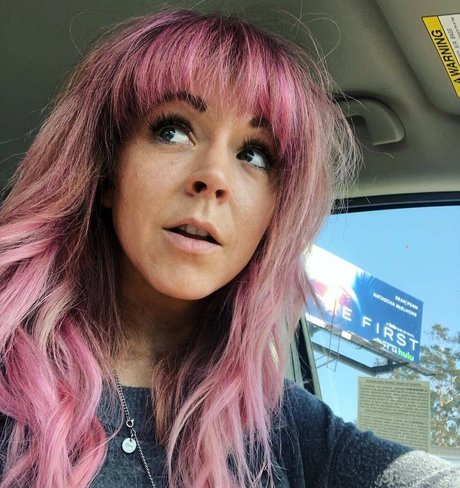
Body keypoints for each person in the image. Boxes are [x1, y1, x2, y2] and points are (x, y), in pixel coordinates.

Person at [0, 8, 458, 488]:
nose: (214, 177)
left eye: (254, 154)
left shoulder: (278, 424)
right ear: (108, 171)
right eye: (173, 130)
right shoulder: (13, 379)